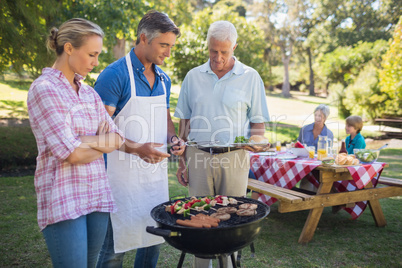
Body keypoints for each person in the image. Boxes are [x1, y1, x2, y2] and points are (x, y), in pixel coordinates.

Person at [27, 18, 124, 267]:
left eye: (98, 55)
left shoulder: (89, 93)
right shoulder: (44, 89)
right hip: (63, 194)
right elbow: (71, 154)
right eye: (92, 54)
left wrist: (85, 140)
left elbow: (116, 138)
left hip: (97, 194)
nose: (96, 62)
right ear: (69, 48)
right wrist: (91, 144)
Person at [174, 20, 270, 268]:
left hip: (235, 158)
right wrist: (182, 162)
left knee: (232, 221)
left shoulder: (250, 77)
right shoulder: (193, 76)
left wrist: (256, 142)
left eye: (224, 52)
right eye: (213, 50)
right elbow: (184, 123)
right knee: (200, 219)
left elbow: (258, 126)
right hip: (197, 156)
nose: (217, 57)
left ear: (234, 47)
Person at [94, 10, 185, 268]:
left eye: (171, 46)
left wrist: (174, 139)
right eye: (164, 45)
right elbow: (100, 132)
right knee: (114, 250)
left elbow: (164, 121)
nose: (168, 52)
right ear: (143, 38)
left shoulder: (164, 80)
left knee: (152, 242)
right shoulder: (114, 75)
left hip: (153, 180)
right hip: (118, 180)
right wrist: (136, 149)